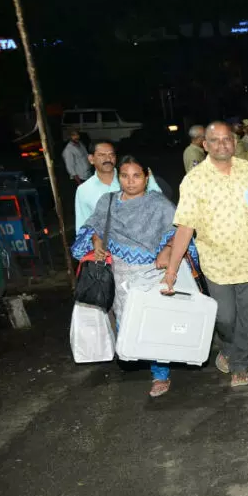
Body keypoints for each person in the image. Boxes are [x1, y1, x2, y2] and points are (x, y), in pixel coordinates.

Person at [71, 155, 195, 398]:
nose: (130, 181)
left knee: (153, 324)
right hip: (119, 275)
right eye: (125, 176)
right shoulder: (108, 201)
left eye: (136, 176)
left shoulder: (158, 204)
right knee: (126, 322)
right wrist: (97, 241)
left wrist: (167, 249)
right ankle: (138, 355)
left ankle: (160, 374)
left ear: (146, 177)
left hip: (152, 273)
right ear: (118, 178)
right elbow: (94, 227)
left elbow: (179, 233)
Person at [166, 121, 248, 388]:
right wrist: (172, 270)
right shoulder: (194, 180)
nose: (222, 144)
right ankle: (229, 347)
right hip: (217, 263)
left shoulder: (246, 168)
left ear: (234, 142)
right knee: (225, 318)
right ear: (205, 145)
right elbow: (185, 227)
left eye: (227, 139)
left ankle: (240, 363)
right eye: (215, 140)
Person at [75, 141, 162, 232]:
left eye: (111, 154)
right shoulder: (84, 190)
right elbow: (82, 226)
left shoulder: (132, 179)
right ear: (91, 159)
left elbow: (159, 202)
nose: (108, 159)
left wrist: (149, 179)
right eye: (102, 155)